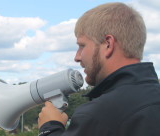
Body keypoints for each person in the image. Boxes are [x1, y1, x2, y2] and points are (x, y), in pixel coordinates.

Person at [38, 2, 160, 136]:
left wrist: (50, 128)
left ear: (108, 44)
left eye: (82, 46)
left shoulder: (98, 115)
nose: (77, 57)